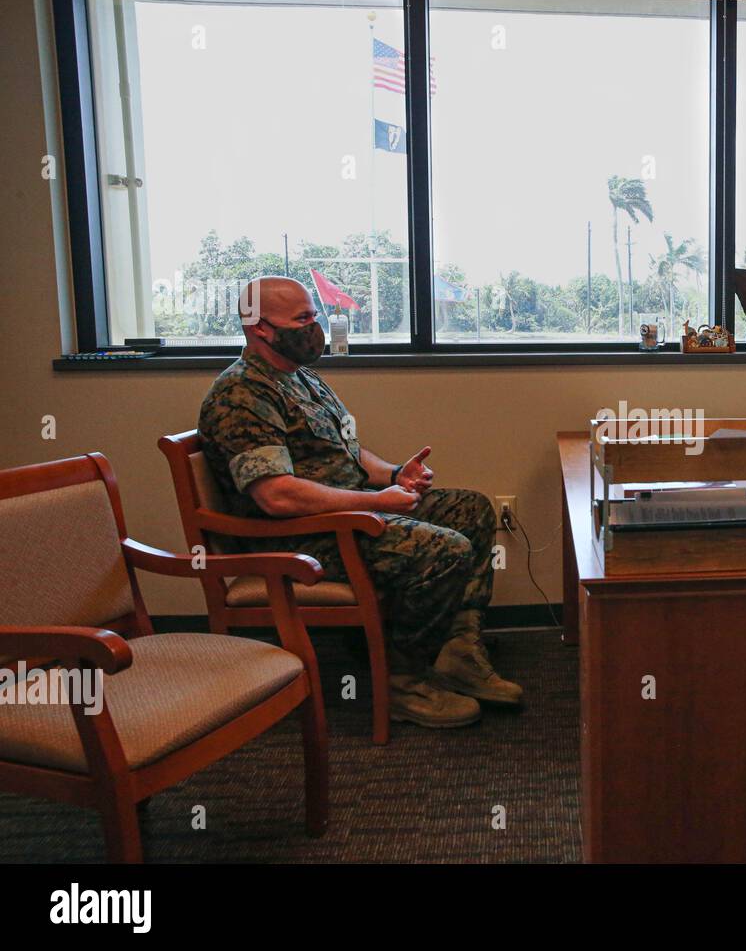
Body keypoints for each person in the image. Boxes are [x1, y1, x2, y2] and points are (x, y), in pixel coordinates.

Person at [198, 276, 522, 730]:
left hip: (346, 517)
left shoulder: (302, 378)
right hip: (300, 538)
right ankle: (403, 683)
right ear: (260, 329)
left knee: (470, 509)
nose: (316, 327)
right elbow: (276, 496)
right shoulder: (243, 394)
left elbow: (346, 454)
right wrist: (373, 505)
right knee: (444, 549)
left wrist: (394, 476)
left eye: (314, 315)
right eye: (303, 319)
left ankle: (457, 654)